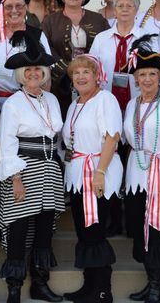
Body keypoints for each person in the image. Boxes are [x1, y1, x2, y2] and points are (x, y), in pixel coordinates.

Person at [0, 30, 65, 303]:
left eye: (38, 69)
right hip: (23, 170)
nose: (34, 73)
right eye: (28, 70)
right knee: (19, 227)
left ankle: (40, 284)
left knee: (44, 228)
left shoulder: (52, 100)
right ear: (21, 74)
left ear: (44, 73)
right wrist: (15, 178)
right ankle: (14, 288)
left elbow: (56, 137)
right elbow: (8, 142)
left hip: (49, 169)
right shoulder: (13, 103)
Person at [124, 38, 160, 303]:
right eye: (142, 74)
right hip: (136, 172)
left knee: (156, 228)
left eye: (152, 74)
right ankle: (150, 282)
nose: (147, 79)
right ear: (136, 78)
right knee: (139, 228)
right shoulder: (132, 104)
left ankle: (158, 286)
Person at [62, 54, 122, 303]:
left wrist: (100, 172)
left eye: (86, 72)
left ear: (97, 76)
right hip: (78, 174)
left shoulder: (105, 99)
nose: (81, 77)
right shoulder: (75, 104)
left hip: (98, 172)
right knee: (84, 232)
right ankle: (89, 286)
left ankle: (102, 290)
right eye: (76, 73)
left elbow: (111, 138)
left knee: (95, 231)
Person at [90, 0, 147, 237]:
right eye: (120, 5)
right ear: (113, 8)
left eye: (129, 6)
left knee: (133, 161)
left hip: (137, 106)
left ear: (137, 9)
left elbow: (156, 74)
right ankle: (112, 219)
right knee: (111, 161)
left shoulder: (147, 38)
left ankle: (134, 219)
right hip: (108, 108)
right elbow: (92, 72)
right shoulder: (102, 39)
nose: (124, 10)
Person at [42, 0, 109, 117]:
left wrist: (91, 68)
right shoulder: (50, 21)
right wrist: (65, 68)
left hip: (91, 79)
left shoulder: (98, 20)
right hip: (60, 82)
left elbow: (107, 43)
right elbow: (44, 46)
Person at [0, 0, 51, 109]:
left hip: (24, 102)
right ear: (2, 9)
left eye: (19, 6)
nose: (14, 11)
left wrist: (41, 105)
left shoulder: (37, 35)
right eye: (8, 7)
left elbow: (46, 73)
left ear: (26, 7)